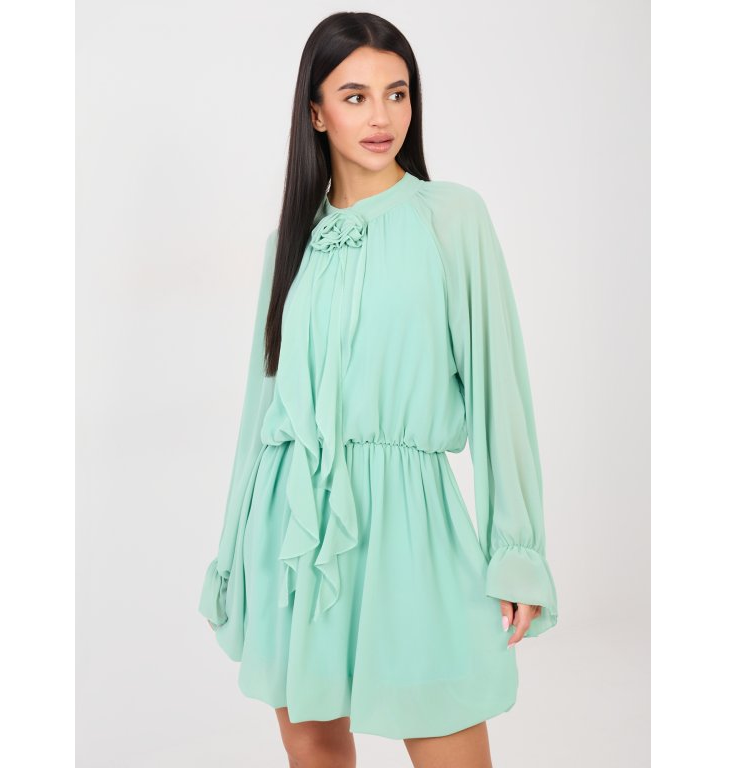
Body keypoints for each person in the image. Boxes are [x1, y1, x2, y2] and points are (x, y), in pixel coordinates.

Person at [198, 11, 558, 767]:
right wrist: (231, 559)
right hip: (292, 535)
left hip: (411, 526)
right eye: (355, 96)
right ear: (316, 112)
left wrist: (515, 548)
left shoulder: (451, 219)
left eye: (397, 93)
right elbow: (261, 416)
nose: (382, 117)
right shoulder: (287, 245)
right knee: (315, 747)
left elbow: (501, 392)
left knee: (449, 733)